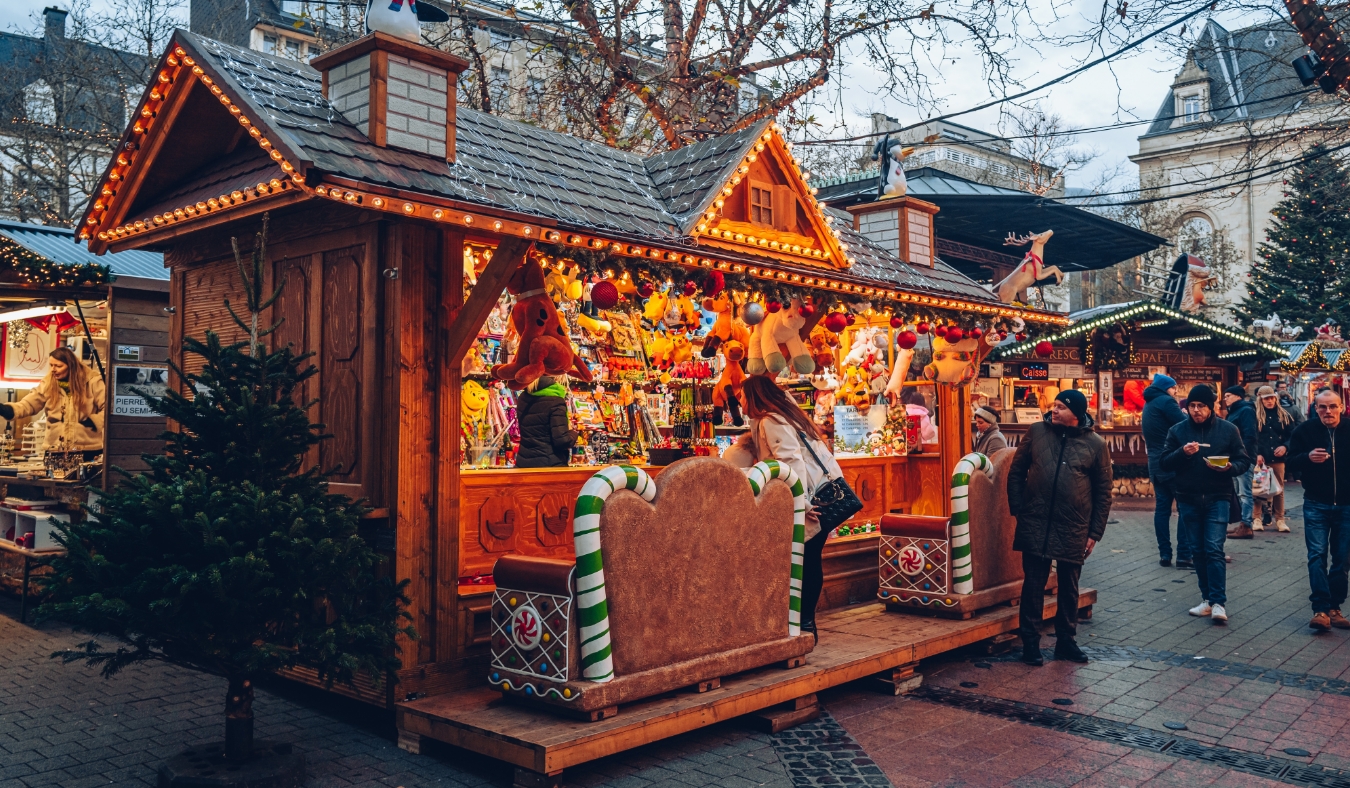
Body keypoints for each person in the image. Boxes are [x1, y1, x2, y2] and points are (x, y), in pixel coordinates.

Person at [725, 375, 844, 639]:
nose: (740, 401)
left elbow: (791, 461)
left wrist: (801, 503)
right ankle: (804, 625)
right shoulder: (784, 415)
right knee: (810, 561)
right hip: (819, 494)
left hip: (809, 500)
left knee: (806, 563)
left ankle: (805, 625)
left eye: (742, 396)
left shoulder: (771, 420)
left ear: (753, 396)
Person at [1007, 390, 1112, 666]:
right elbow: (1016, 471)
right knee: (1033, 584)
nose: (1054, 410)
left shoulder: (1096, 444)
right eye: (1054, 405)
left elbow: (1103, 493)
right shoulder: (1037, 432)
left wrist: (1094, 533)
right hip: (1036, 521)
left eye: (1061, 407)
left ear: (1076, 414)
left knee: (1069, 586)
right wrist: (1018, 509)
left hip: (1074, 525)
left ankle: (1066, 642)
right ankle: (1030, 643)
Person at [1160, 384, 1251, 625]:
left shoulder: (1228, 430)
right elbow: (1164, 462)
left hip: (1218, 496)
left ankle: (1219, 602)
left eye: (1201, 406)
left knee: (1213, 548)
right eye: (1192, 406)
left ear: (1210, 407)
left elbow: (1243, 460)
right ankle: (1207, 599)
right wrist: (1183, 453)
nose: (1196, 410)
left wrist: (1229, 467)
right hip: (1188, 497)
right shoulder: (1177, 431)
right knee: (1197, 550)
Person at [1286, 389, 1350, 632]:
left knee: (1342, 559)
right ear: (1316, 408)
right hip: (1316, 503)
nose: (1328, 411)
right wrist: (1307, 457)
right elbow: (1290, 461)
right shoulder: (1305, 430)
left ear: (1341, 407)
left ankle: (1335, 607)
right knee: (1316, 555)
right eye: (1322, 407)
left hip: (1347, 505)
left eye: (1332, 406)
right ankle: (1320, 609)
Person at [0, 346, 105, 454]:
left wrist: (94, 421)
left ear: (71, 366)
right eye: (51, 365)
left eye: (58, 366)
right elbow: (28, 404)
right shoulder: (48, 383)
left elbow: (108, 408)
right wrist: (7, 409)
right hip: (55, 450)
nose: (53, 369)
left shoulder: (92, 381)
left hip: (87, 449)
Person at [1142, 373, 1193, 568]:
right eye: (1173, 387)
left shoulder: (1149, 403)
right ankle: (1184, 555)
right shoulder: (1166, 402)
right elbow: (1184, 425)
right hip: (1172, 462)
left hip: (1155, 464)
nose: (1175, 391)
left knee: (1162, 510)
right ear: (1165, 388)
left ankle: (1165, 554)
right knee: (1185, 508)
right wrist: (1186, 414)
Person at [1254, 385, 1295, 533]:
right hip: (1261, 458)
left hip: (1278, 458)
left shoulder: (1283, 415)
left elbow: (1292, 435)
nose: (1269, 401)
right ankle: (1256, 518)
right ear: (1260, 399)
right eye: (1266, 399)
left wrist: (1285, 446)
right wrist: (1257, 453)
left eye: (1271, 398)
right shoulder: (1254, 415)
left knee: (1279, 490)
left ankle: (1280, 519)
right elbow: (1251, 437)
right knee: (1258, 488)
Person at [512, 376, 577, 468]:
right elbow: (562, 441)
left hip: (523, 463)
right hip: (549, 466)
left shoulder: (523, 397)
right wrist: (573, 433)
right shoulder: (556, 401)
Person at [1223, 385, 1258, 540]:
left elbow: (1250, 435)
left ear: (1238, 396)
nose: (1225, 398)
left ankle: (1246, 525)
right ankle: (1242, 523)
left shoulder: (1246, 410)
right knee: (1238, 492)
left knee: (1245, 493)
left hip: (1243, 458)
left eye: (1228, 395)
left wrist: (1244, 455)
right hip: (1234, 458)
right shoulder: (1233, 411)